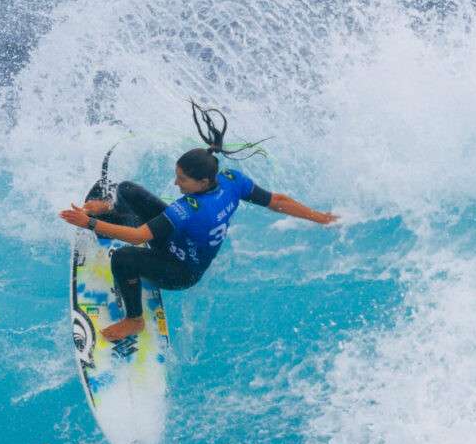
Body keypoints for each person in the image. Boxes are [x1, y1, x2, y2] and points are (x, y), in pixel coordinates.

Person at [59, 105, 338, 341]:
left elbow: (136, 236)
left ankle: (134, 320)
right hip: (176, 238)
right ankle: (113, 210)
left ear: (202, 182)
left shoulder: (189, 209)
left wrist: (89, 224)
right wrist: (321, 218)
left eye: (182, 180)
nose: (176, 183)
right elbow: (277, 200)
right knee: (128, 190)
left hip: (180, 271)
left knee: (123, 258)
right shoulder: (231, 181)